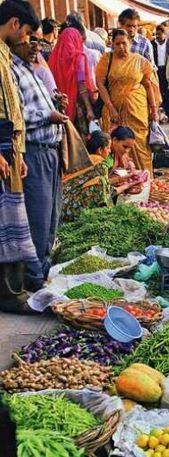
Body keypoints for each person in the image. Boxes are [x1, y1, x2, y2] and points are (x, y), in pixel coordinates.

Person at [11, 32, 66, 291]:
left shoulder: (31, 68)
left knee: (52, 215)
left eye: (39, 42)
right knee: (39, 217)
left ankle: (42, 271)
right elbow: (17, 114)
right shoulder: (11, 69)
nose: (36, 47)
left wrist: (55, 104)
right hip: (34, 151)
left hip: (50, 150)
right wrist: (48, 115)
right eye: (30, 40)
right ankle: (33, 279)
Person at [0, 0, 41, 313]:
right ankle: (9, 294)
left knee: (13, 219)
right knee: (5, 222)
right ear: (14, 24)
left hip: (11, 148)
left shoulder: (4, 52)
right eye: (26, 32)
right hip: (2, 148)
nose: (26, 39)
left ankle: (13, 289)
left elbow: (12, 107)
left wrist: (19, 151)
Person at [96, 28, 160, 173]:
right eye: (117, 44)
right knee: (115, 148)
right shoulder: (107, 59)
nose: (121, 47)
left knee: (141, 146)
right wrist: (111, 108)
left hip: (137, 111)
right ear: (112, 44)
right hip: (114, 113)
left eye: (124, 43)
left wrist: (154, 110)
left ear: (130, 43)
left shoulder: (140, 61)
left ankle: (146, 181)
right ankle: (121, 186)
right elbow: (100, 84)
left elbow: (148, 85)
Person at [62, 128, 137, 222]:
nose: (109, 151)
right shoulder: (100, 164)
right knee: (101, 184)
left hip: (62, 202)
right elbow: (108, 191)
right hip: (71, 209)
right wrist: (128, 185)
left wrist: (121, 180)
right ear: (100, 150)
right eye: (108, 148)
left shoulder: (86, 158)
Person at [48, 26, 95, 131]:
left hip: (59, 106)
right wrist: (89, 108)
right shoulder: (79, 57)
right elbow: (81, 84)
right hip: (78, 106)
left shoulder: (53, 58)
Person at [152, 24, 169, 118]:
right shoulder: (152, 44)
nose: (157, 36)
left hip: (167, 70)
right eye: (156, 34)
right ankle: (160, 115)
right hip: (156, 70)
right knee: (158, 92)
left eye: (159, 34)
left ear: (164, 34)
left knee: (168, 92)